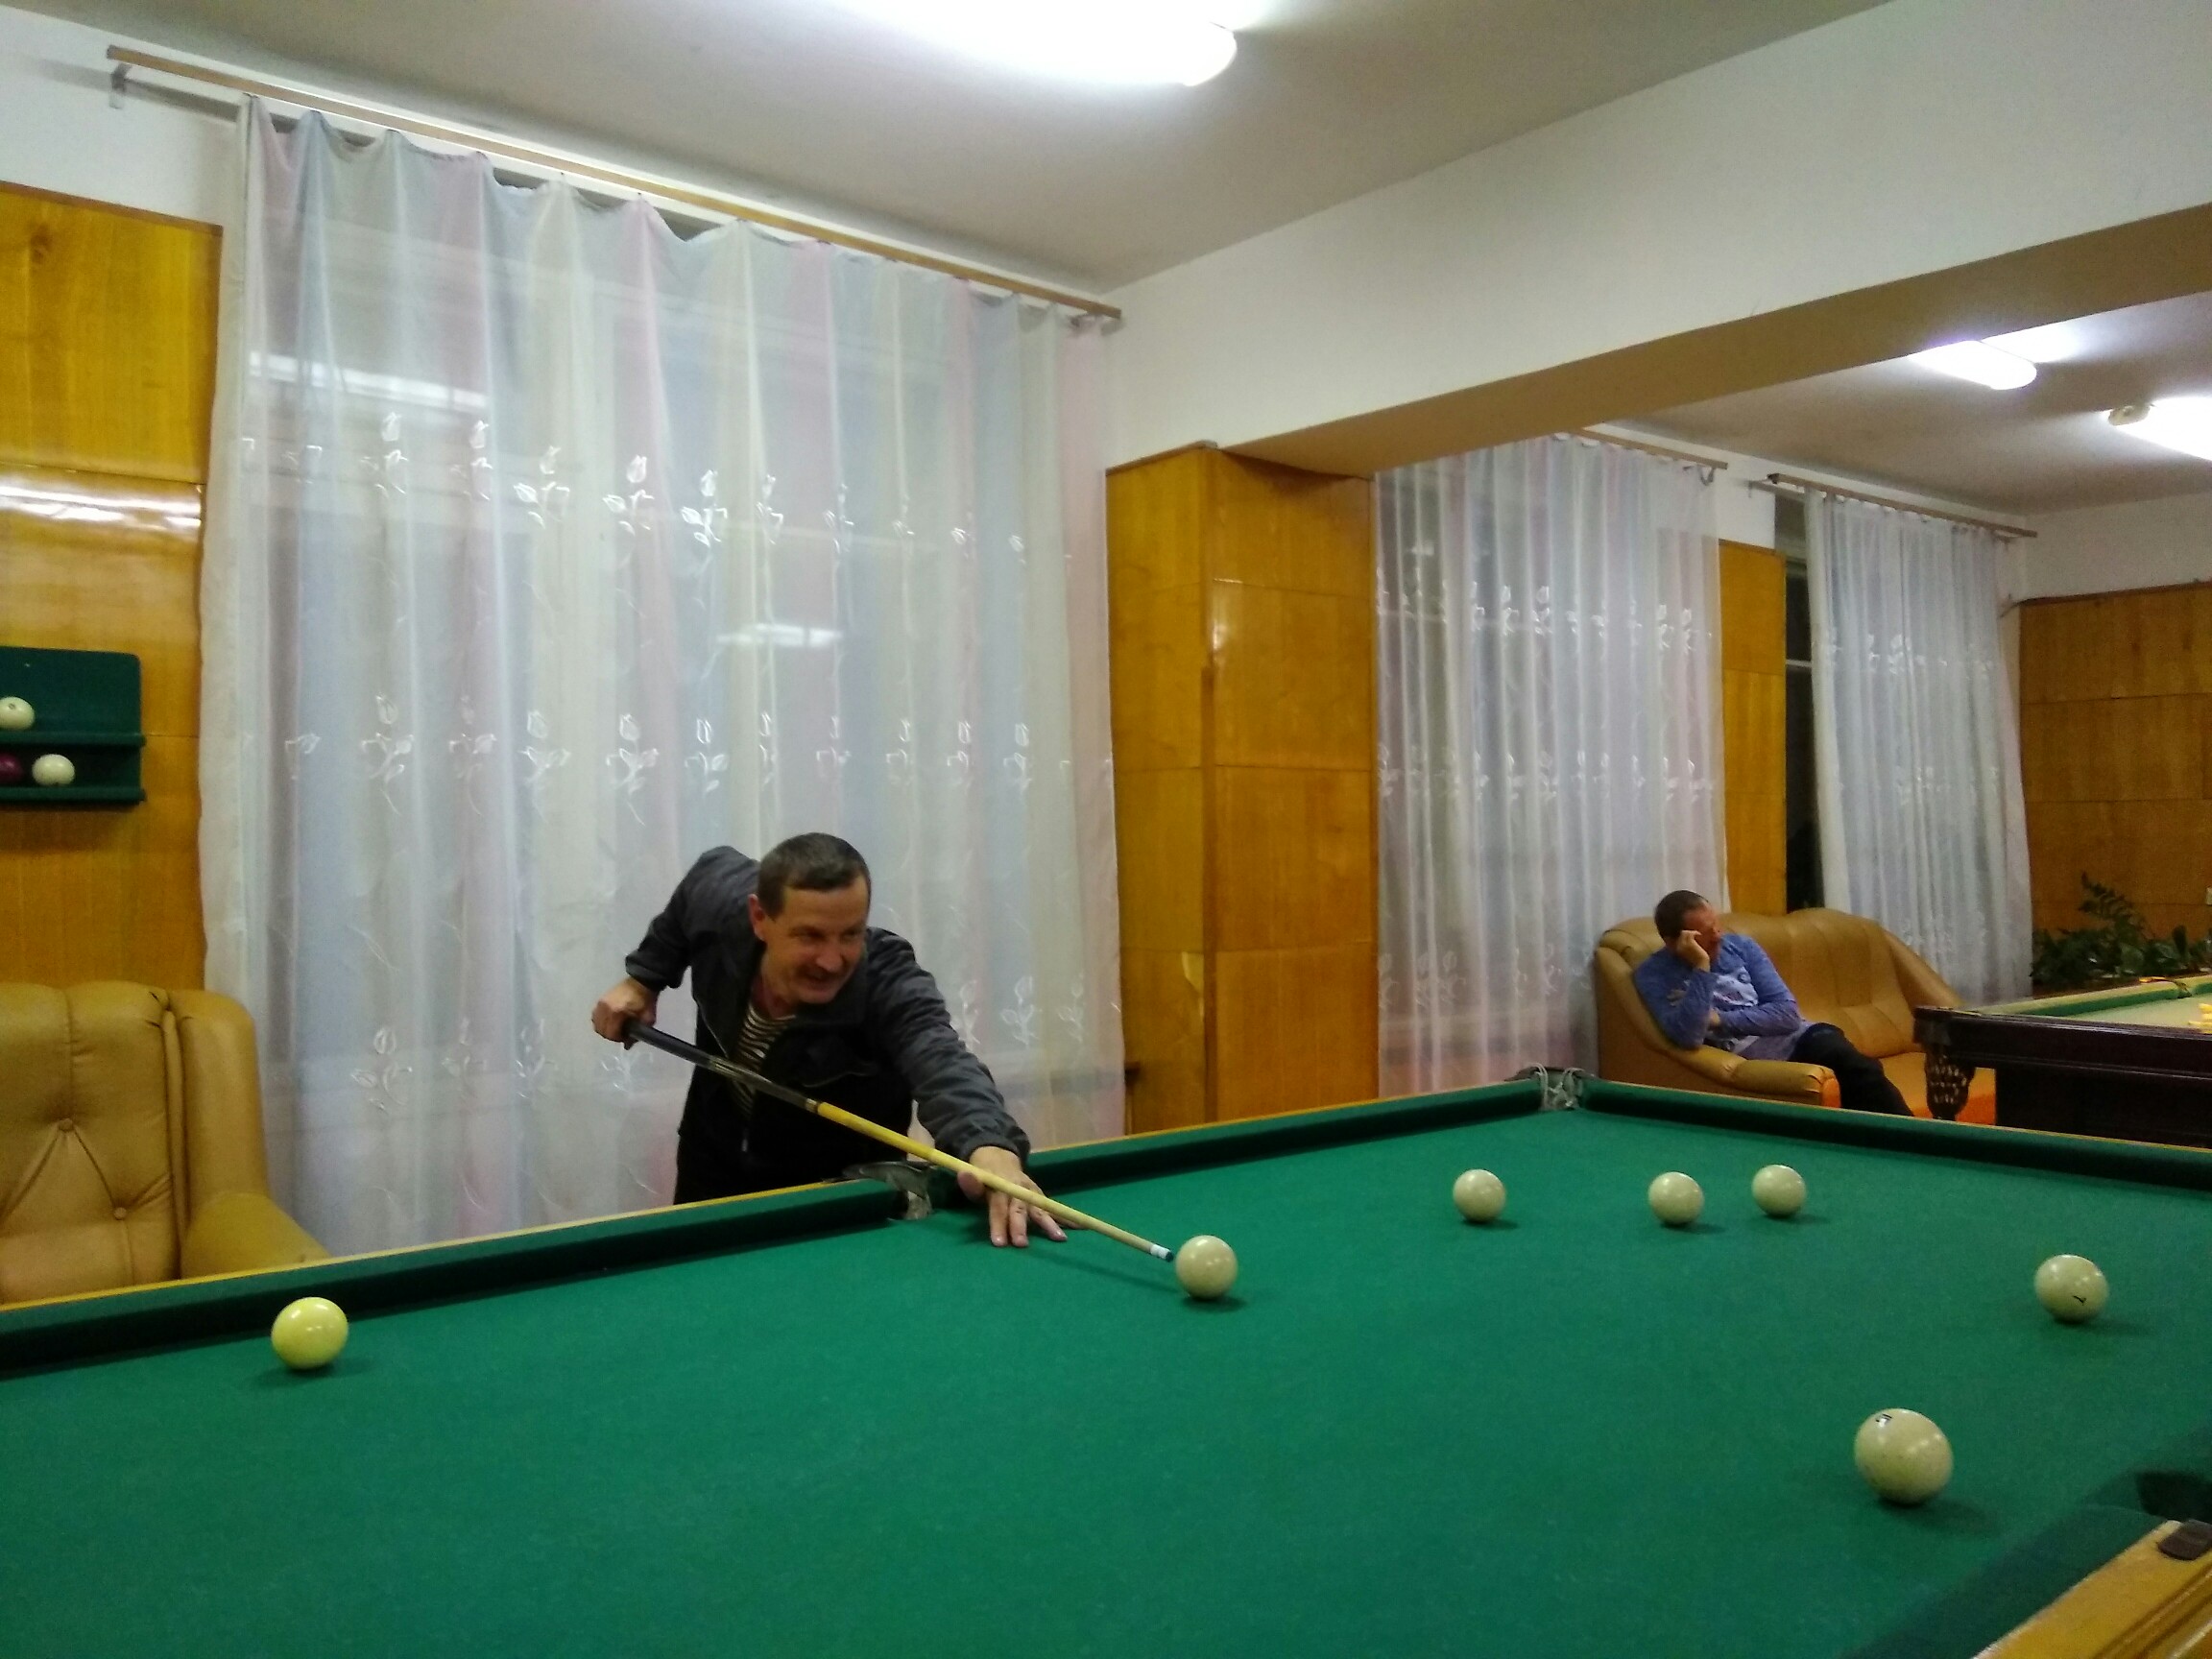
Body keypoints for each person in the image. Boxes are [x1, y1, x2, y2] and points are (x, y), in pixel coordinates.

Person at [590, 832, 1065, 1245]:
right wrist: (644, 978)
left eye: (850, 934)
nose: (832, 960)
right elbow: (700, 882)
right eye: (810, 936)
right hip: (713, 1162)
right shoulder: (721, 900)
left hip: (838, 1201)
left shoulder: (886, 979)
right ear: (759, 917)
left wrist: (989, 1147)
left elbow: (940, 1058)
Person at [1632, 889, 1909, 1117]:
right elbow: (1689, 1036)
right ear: (1674, 942)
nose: (1717, 936)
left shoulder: (1742, 947)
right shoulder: (1653, 975)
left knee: (1859, 1070)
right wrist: (1701, 968)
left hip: (1801, 1038)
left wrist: (1720, 1019)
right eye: (1704, 933)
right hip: (1753, 1059)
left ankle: (1913, 1142)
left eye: (1716, 926)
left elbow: (1787, 1014)